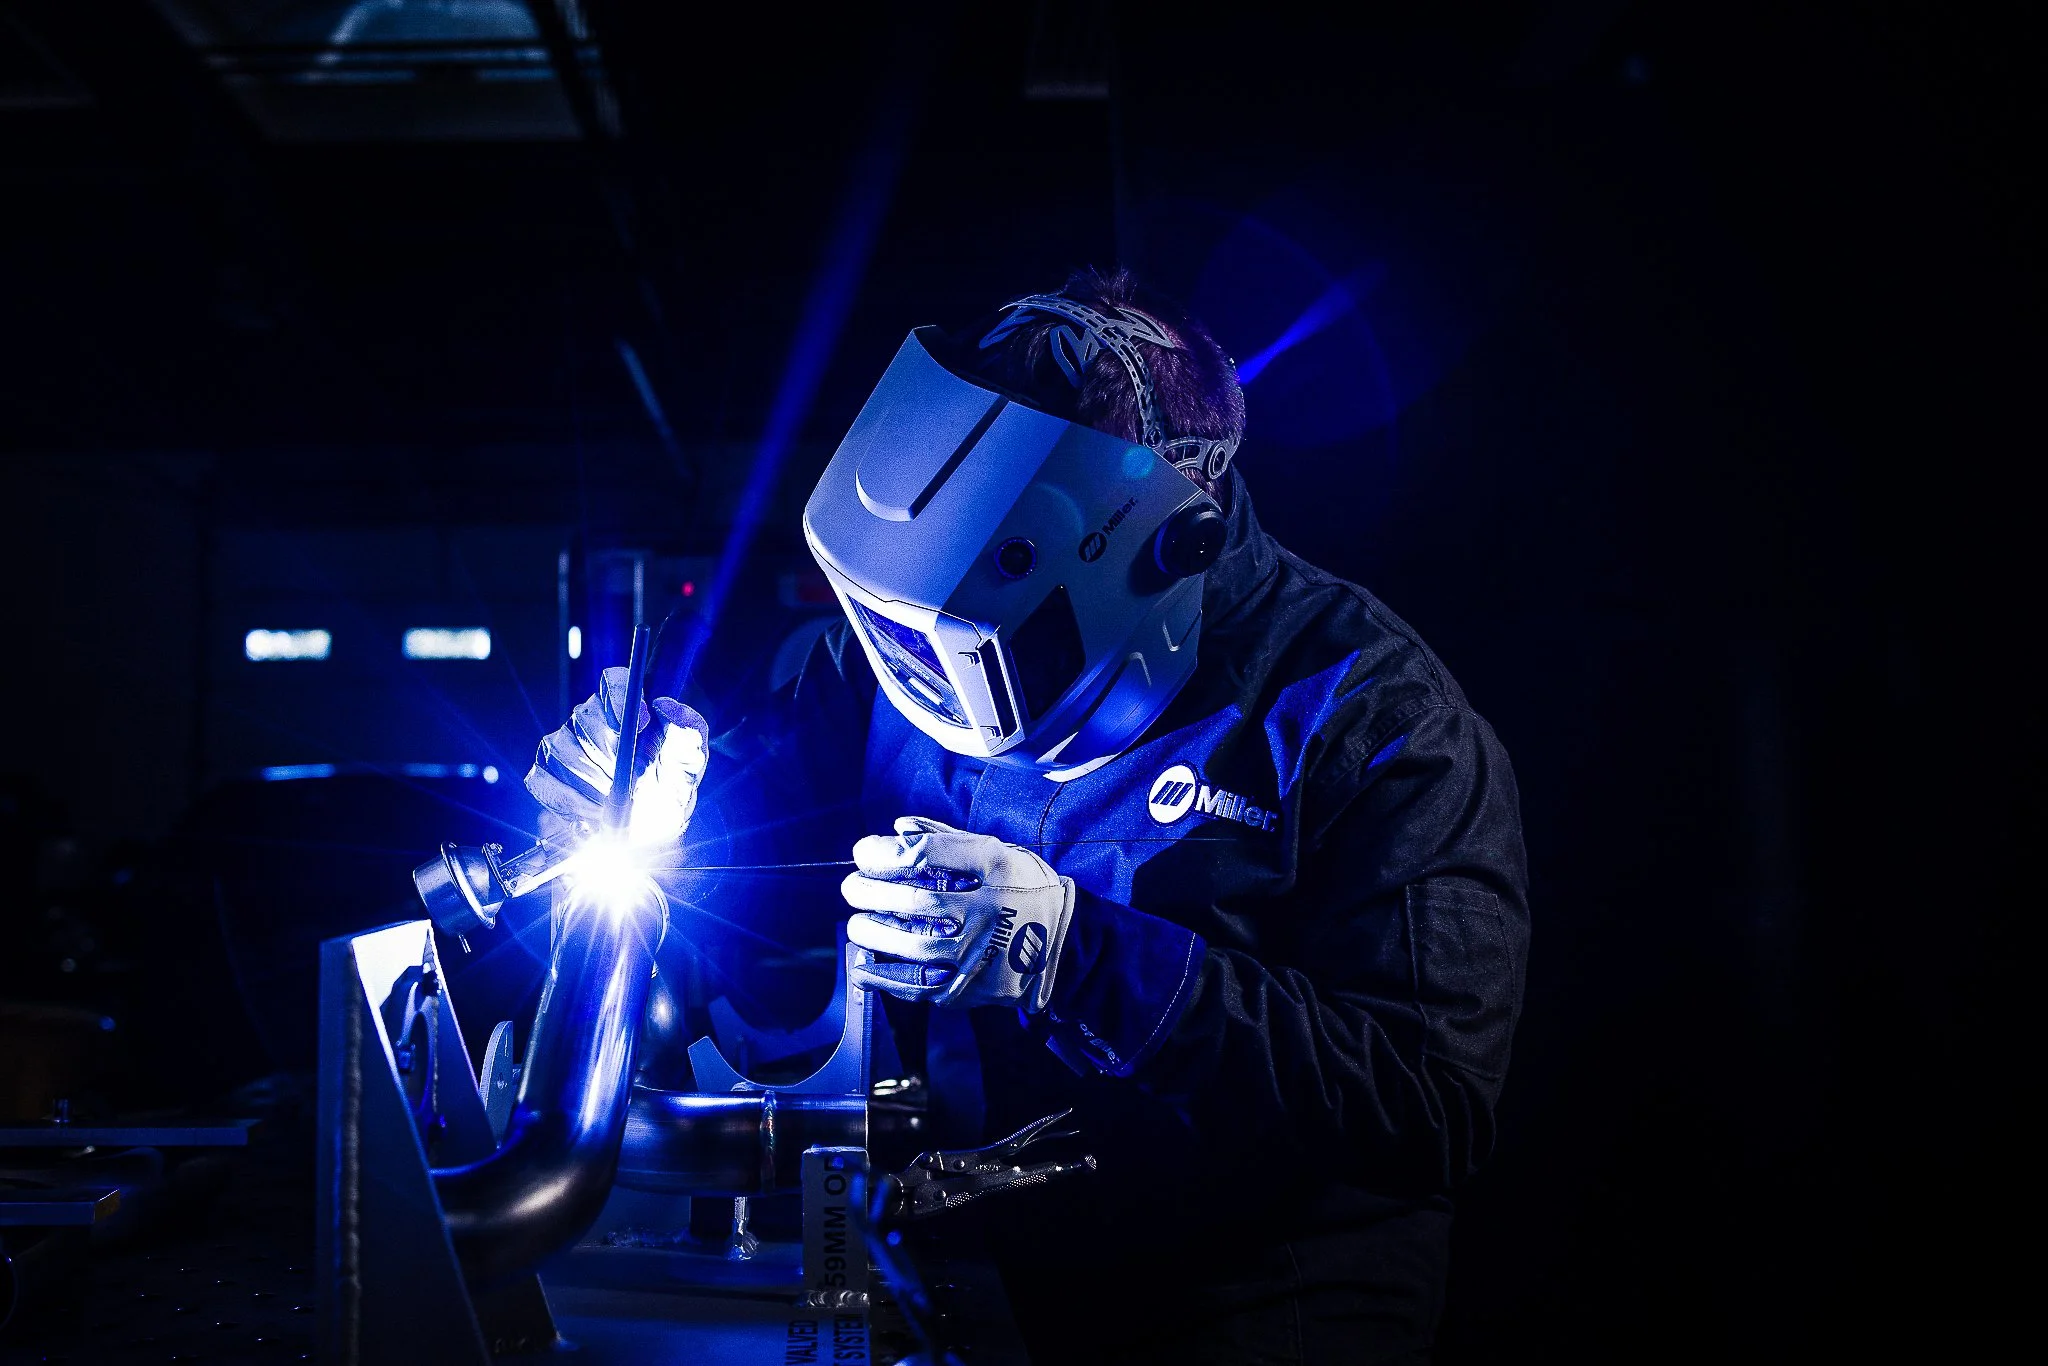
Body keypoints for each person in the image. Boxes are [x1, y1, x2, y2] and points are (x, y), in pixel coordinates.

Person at [531, 268, 1529, 1364]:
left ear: (1162, 547)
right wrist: (656, 775)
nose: (924, 688)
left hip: (1244, 1317)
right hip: (965, 1295)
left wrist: (1076, 957)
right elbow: (750, 809)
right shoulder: (889, 665)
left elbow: (1425, 1104)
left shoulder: (1372, 717)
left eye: (981, 648)